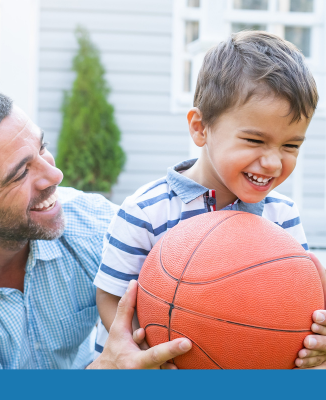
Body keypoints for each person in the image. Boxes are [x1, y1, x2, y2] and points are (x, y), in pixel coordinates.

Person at [0, 85, 326, 369]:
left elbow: (212, 289)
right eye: (19, 174)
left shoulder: (95, 226)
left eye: (42, 149)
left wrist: (296, 339)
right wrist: (105, 375)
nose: (54, 176)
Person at [94, 31, 326, 368]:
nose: (274, 162)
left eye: (291, 146)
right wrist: (145, 349)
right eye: (254, 140)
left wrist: (314, 338)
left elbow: (296, 301)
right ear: (200, 128)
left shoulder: (283, 216)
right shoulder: (146, 210)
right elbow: (112, 295)